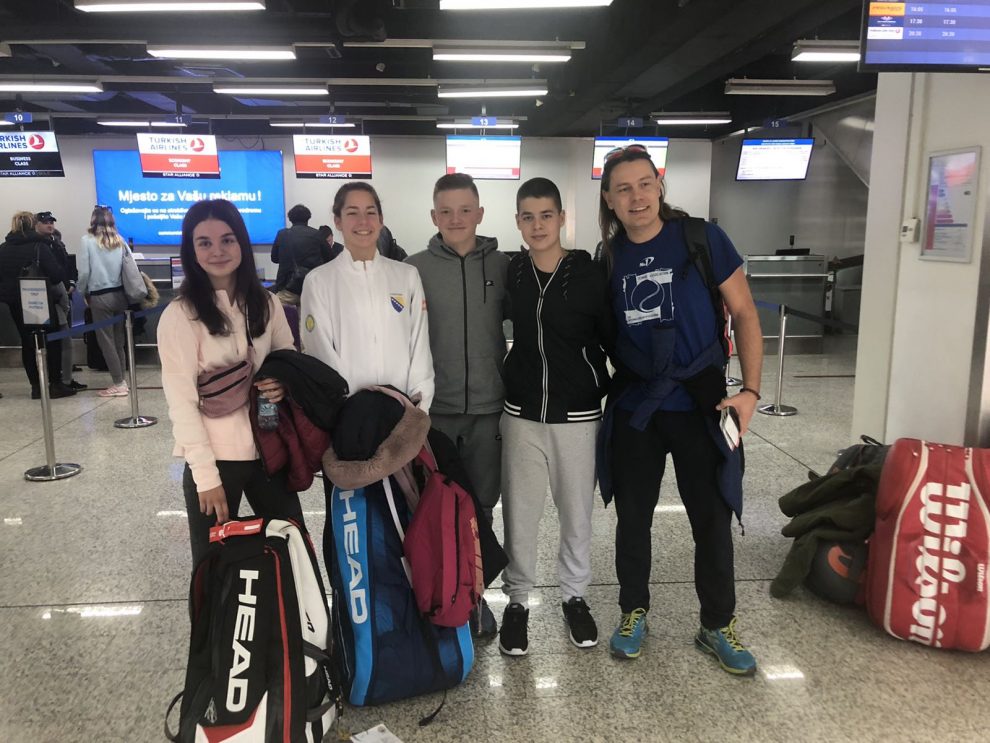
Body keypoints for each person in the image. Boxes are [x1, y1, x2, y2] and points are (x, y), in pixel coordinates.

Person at [597, 145, 764, 675]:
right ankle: (633, 611)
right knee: (633, 517)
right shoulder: (608, 258)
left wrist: (750, 392)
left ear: (660, 186)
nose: (636, 196)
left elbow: (744, 312)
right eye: (623, 189)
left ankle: (717, 623)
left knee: (711, 518)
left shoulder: (702, 239)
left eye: (644, 184)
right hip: (638, 406)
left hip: (700, 402)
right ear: (609, 199)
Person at [497, 178, 613, 657]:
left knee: (576, 513)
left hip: (578, 415)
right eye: (528, 216)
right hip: (521, 414)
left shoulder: (589, 274)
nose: (537, 225)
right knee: (520, 514)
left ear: (562, 218)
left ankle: (574, 596)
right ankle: (517, 601)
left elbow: (612, 338)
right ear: (518, 221)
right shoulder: (513, 272)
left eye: (546, 215)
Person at [158, 199, 304, 565]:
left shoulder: (267, 304)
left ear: (241, 242)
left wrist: (282, 383)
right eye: (204, 242)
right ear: (192, 251)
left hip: (269, 448)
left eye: (227, 239)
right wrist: (205, 476)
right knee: (214, 567)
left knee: (292, 553)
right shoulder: (181, 315)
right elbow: (181, 402)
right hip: (217, 457)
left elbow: (287, 359)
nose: (218, 251)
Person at [405, 172, 509, 639]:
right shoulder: (413, 270)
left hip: (490, 409)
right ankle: (435, 591)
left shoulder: (504, 266)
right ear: (433, 216)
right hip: (435, 412)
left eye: (465, 210)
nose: (456, 219)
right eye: (445, 211)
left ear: (480, 213)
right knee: (432, 505)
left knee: (482, 507)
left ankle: (476, 596)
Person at [300, 183, 433, 409]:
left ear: (381, 220)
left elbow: (419, 345)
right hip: (348, 414)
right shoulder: (319, 281)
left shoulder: (406, 275)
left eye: (371, 212)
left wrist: (418, 407)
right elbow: (320, 353)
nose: (363, 221)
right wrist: (348, 411)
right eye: (352, 213)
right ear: (338, 221)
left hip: (403, 410)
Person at [0, 211, 73, 398]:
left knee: (27, 343)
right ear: (33, 225)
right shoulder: (40, 246)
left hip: (14, 303)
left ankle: (36, 387)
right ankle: (55, 384)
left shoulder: (3, 248)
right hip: (40, 299)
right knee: (52, 340)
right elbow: (56, 275)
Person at [77, 206, 131, 397]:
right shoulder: (120, 240)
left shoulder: (87, 241)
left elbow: (84, 272)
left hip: (100, 296)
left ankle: (119, 383)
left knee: (106, 342)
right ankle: (122, 379)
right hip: (120, 296)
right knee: (119, 341)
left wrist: (82, 291)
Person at [36, 212, 85, 391]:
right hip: (50, 299)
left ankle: (65, 379)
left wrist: (70, 283)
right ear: (36, 225)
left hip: (63, 296)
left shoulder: (56, 243)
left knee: (64, 340)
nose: (50, 225)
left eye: (51, 222)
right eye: (45, 222)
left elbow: (66, 267)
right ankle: (59, 380)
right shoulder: (38, 247)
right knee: (61, 341)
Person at [271, 204, 327, 306]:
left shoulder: (282, 234)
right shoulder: (317, 234)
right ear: (308, 217)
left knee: (279, 314)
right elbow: (330, 258)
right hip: (311, 287)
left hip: (287, 287)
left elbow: (274, 258)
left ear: (290, 218)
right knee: (310, 316)